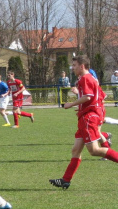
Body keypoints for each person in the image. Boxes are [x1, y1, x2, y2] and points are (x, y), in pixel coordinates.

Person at [49, 56, 118, 189]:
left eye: (74, 65)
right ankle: (65, 180)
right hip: (86, 116)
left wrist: (71, 104)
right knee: (76, 150)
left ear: (82, 66)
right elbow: (100, 97)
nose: (72, 68)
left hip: (88, 118)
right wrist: (84, 107)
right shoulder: (89, 79)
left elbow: (88, 97)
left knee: (94, 150)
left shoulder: (86, 78)